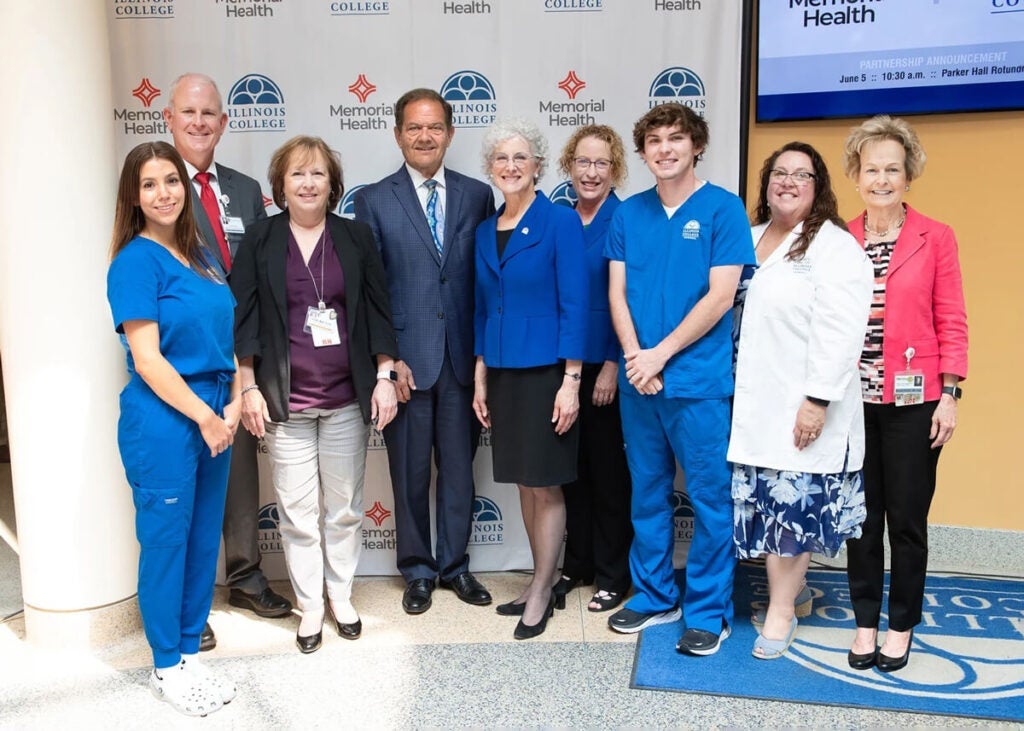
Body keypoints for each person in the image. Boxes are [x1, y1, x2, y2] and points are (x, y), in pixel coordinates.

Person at [230, 136, 399, 654]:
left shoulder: (355, 236)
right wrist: (248, 385)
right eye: (297, 174)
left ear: (332, 185)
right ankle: (309, 606)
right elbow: (244, 317)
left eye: (318, 174)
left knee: (344, 508)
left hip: (346, 398)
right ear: (280, 185)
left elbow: (378, 309)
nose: (308, 183)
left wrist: (386, 375)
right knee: (298, 515)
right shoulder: (260, 238)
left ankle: (340, 596)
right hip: (285, 403)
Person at [604, 103, 755, 657]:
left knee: (711, 499)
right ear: (643, 153)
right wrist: (633, 357)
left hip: (697, 383)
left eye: (676, 139)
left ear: (697, 146)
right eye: (654, 142)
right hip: (639, 382)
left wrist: (659, 356)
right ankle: (654, 596)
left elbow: (721, 296)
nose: (665, 149)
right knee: (647, 493)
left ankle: (709, 612)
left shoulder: (723, 209)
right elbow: (616, 292)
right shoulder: (629, 213)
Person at [106, 141, 239, 716]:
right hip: (167, 417)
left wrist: (234, 401)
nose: (164, 193)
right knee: (166, 542)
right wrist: (206, 416)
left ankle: (187, 653)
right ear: (133, 197)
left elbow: (228, 338)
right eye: (149, 184)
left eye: (171, 181)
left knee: (203, 537)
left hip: (215, 409)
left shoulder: (200, 255)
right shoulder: (135, 262)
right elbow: (148, 359)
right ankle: (165, 665)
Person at [728, 142, 873, 659]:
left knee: (791, 512)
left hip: (801, 404)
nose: (788, 182)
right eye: (779, 172)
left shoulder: (835, 248)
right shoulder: (747, 237)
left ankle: (782, 611)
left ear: (818, 187)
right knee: (767, 509)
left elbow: (842, 332)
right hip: (751, 402)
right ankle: (794, 592)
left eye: (801, 175)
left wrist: (816, 400)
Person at [354, 89, 495, 615]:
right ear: (397, 135)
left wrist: (483, 361)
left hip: (461, 361)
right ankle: (416, 570)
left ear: (450, 134)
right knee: (410, 474)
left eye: (435, 127)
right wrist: (388, 362)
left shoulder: (478, 195)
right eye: (414, 127)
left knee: (459, 473)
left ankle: (455, 566)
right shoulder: (373, 199)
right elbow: (371, 291)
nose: (425, 136)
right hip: (406, 365)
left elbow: (485, 280)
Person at [163, 73, 291, 652]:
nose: (199, 122)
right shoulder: (159, 186)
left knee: (238, 475)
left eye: (208, 113)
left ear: (224, 122)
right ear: (168, 118)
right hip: (180, 361)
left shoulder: (244, 189)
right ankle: (187, 602)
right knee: (183, 481)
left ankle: (243, 577)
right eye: (188, 112)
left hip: (237, 358)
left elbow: (259, 275)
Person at [842, 116, 968, 673]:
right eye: (872, 169)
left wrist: (951, 394)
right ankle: (865, 621)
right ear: (856, 176)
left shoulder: (935, 237)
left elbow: (952, 317)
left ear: (908, 175)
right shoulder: (839, 238)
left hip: (916, 405)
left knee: (907, 522)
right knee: (862, 520)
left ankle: (901, 626)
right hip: (852, 405)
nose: (882, 180)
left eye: (892, 169)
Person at [472, 118, 588, 639]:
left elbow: (575, 303)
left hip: (547, 372)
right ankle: (539, 577)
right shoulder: (484, 230)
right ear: (490, 168)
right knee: (523, 480)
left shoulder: (560, 222)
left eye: (520, 157)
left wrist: (571, 380)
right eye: (501, 158)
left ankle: (544, 585)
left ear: (538, 165)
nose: (511, 166)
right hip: (501, 371)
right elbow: (481, 308)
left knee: (546, 482)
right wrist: (480, 375)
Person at [553, 125, 633, 612]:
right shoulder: (560, 219)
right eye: (583, 162)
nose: (591, 172)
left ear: (615, 169)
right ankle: (577, 564)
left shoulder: (625, 219)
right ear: (569, 166)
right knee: (572, 473)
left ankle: (612, 573)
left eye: (601, 163)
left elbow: (632, 300)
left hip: (604, 369)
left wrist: (613, 365)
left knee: (608, 477)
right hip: (563, 369)